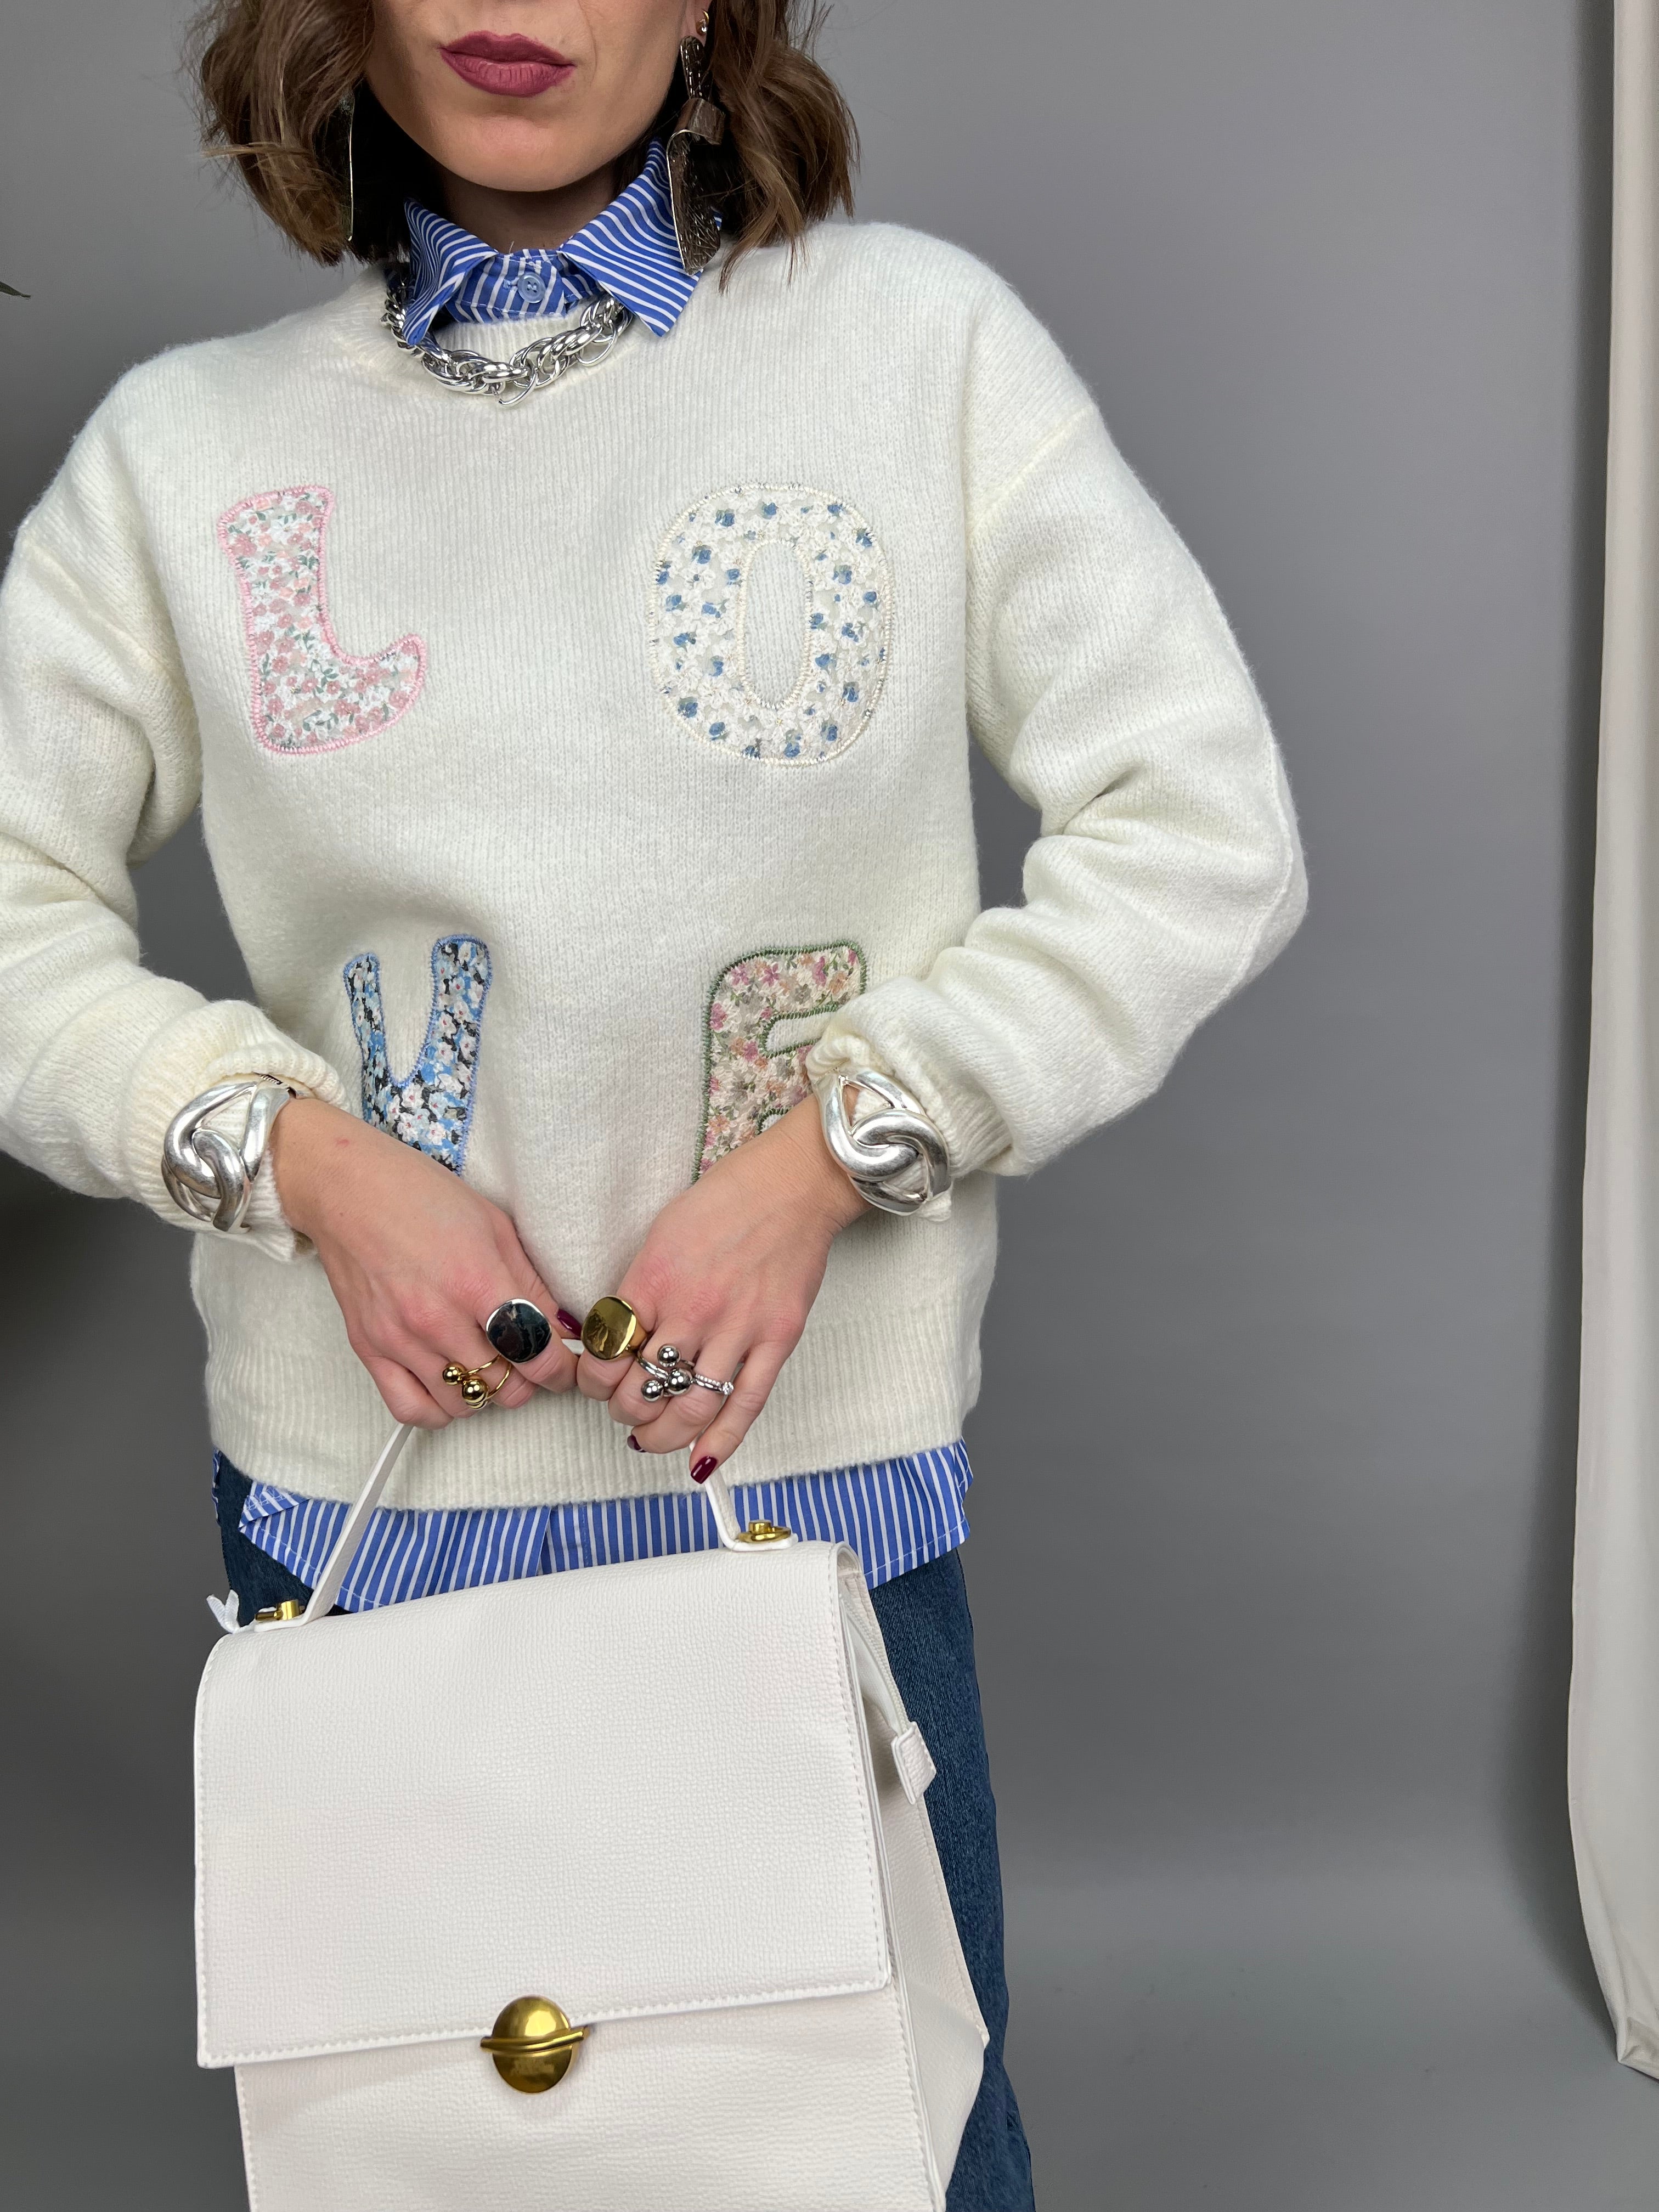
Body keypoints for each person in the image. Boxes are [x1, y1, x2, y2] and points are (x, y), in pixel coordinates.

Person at [0, 2, 1306, 2203]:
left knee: (880, 2148)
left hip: (800, 1493)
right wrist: (299, 1162)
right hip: (363, 1511)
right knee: (435, 2161)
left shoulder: (916, 351)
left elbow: (1206, 831)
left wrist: (838, 1155)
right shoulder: (184, 455)